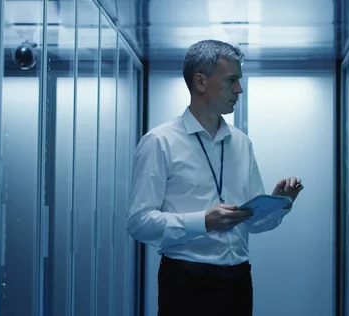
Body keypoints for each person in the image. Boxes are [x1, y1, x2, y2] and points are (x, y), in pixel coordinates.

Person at [126, 39, 304, 316]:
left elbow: (253, 224)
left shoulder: (242, 143)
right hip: (185, 283)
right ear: (200, 82)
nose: (239, 89)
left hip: (238, 281)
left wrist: (281, 203)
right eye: (231, 80)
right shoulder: (160, 142)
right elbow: (138, 223)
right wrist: (203, 222)